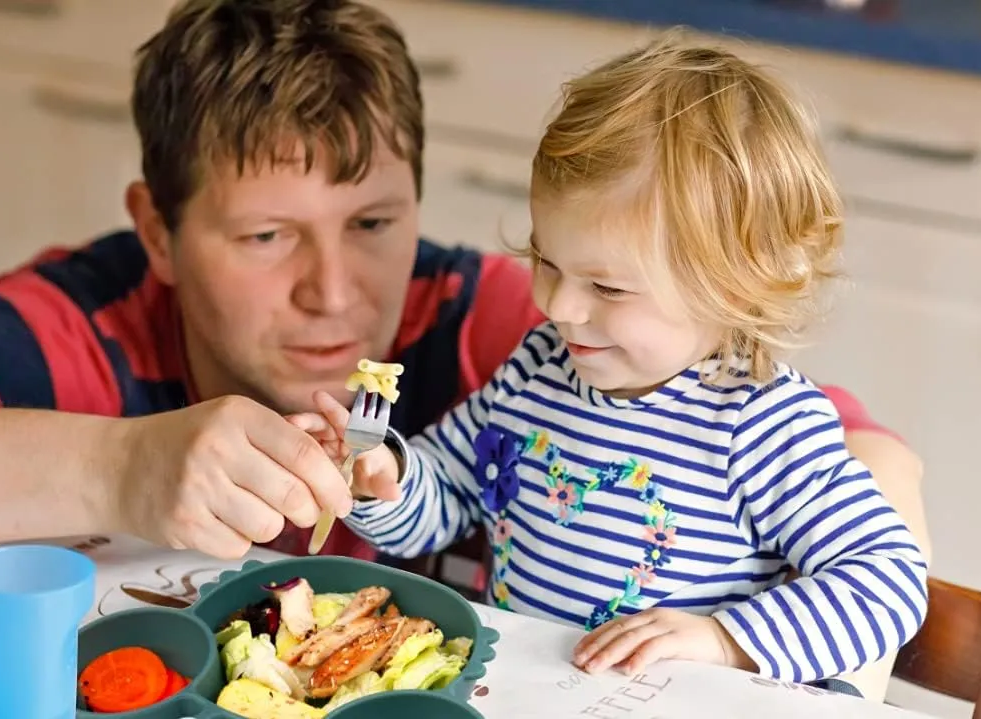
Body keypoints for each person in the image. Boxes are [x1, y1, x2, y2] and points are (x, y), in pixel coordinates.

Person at [0, 0, 928, 585]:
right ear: (159, 230)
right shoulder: (77, 329)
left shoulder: (502, 325)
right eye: (267, 236)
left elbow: (871, 458)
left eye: (374, 225)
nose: (334, 292)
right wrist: (114, 468)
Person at [294, 34, 929, 688]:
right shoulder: (537, 370)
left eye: (607, 286)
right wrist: (382, 472)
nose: (559, 305)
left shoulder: (758, 424)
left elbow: (887, 580)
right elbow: (445, 497)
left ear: (732, 287)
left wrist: (722, 637)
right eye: (546, 261)